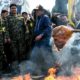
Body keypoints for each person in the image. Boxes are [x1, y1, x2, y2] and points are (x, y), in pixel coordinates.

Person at [27, 5, 56, 76]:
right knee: (35, 55)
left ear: (42, 11)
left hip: (44, 41)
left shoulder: (45, 18)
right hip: (38, 41)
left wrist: (41, 35)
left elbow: (49, 28)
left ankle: (51, 71)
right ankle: (38, 71)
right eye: (36, 10)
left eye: (38, 10)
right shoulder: (38, 18)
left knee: (46, 56)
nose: (36, 12)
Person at [5, 4, 26, 74]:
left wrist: (25, 38)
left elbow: (25, 28)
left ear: (17, 9)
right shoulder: (7, 18)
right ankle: (14, 69)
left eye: (15, 8)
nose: (14, 9)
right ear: (10, 9)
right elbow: (6, 29)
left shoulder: (21, 18)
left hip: (21, 39)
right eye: (12, 8)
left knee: (21, 53)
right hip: (12, 39)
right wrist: (7, 37)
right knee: (14, 54)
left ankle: (21, 68)